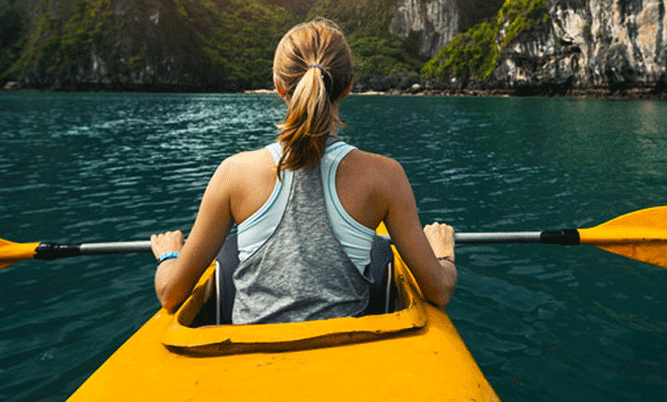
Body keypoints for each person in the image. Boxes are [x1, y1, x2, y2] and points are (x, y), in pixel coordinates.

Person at [150, 19, 456, 324]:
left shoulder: (234, 173)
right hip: (342, 360)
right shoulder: (385, 176)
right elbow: (439, 291)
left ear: (278, 86)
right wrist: (443, 253)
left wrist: (169, 256)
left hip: (249, 361)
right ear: (348, 87)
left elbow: (170, 293)